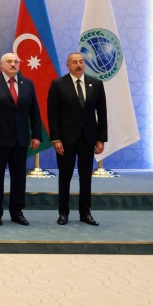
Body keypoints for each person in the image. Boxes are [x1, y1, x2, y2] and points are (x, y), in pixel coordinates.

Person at [0, 53, 42, 226]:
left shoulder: (27, 84)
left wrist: (36, 135)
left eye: (16, 62)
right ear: (1, 64)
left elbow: (35, 112)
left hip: (20, 140)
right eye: (9, 62)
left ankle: (17, 211)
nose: (13, 64)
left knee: (19, 177)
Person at [48, 51, 108, 226]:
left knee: (85, 177)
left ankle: (85, 213)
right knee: (65, 177)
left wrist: (101, 139)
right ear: (68, 65)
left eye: (81, 61)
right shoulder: (58, 84)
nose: (78, 65)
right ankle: (63, 213)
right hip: (65, 140)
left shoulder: (95, 84)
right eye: (74, 62)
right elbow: (53, 114)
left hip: (88, 139)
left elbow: (102, 113)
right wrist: (56, 139)